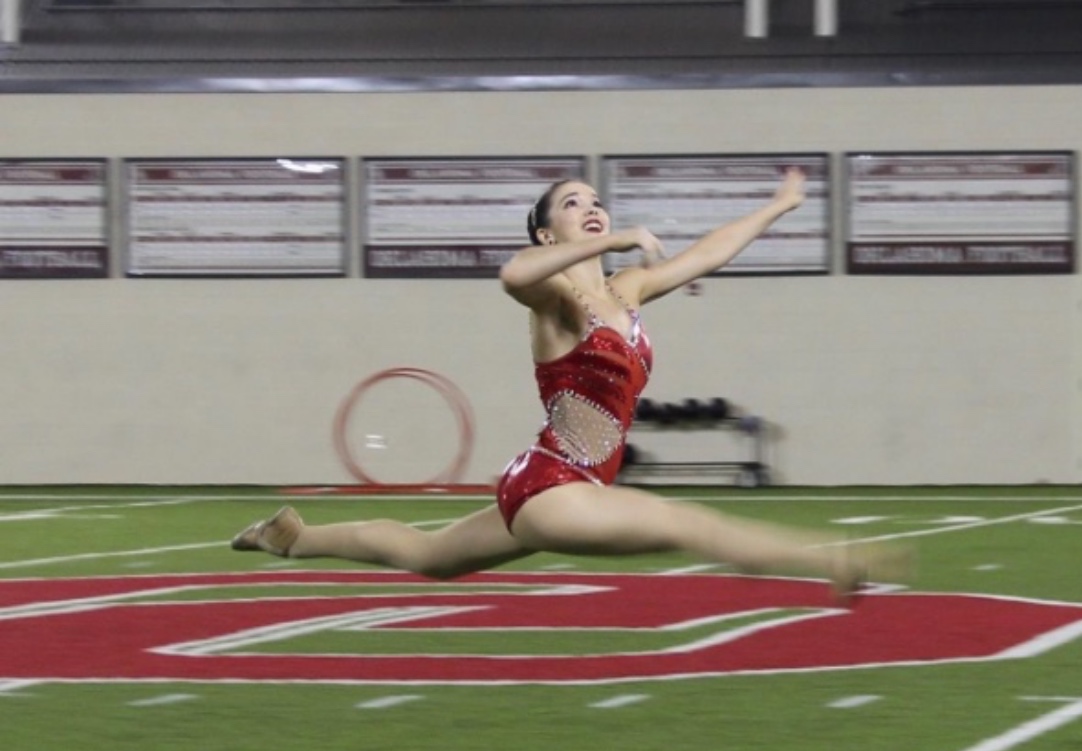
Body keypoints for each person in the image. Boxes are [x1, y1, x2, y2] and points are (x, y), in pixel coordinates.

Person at [232, 168, 909, 598]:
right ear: (546, 232)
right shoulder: (557, 297)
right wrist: (606, 245)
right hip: (553, 488)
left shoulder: (630, 288)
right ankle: (832, 563)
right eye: (571, 204)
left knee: (430, 554)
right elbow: (511, 275)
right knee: (681, 520)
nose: (592, 209)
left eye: (597, 202)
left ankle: (292, 537)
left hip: (560, 477)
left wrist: (780, 205)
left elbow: (709, 251)